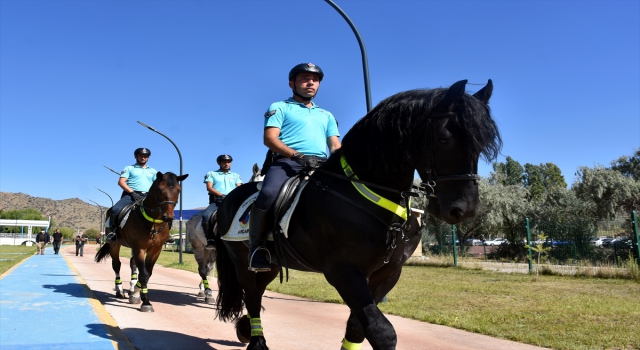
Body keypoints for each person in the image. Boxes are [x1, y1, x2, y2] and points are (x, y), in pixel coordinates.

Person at [248, 63, 341, 272]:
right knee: (268, 193)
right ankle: (256, 248)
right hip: (288, 162)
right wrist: (296, 155)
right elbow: (269, 139)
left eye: (315, 80)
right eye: (304, 79)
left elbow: (335, 146)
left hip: (321, 165)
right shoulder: (280, 107)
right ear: (292, 83)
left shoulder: (326, 115)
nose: (310, 83)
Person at [105, 147, 158, 243]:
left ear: (148, 158)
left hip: (147, 196)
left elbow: (156, 185)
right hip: (130, 195)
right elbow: (121, 182)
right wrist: (132, 193)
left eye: (145, 156)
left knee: (163, 211)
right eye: (141, 155)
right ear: (136, 156)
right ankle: (113, 233)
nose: (143, 157)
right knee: (115, 209)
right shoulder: (129, 168)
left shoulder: (153, 171)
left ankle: (164, 234)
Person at [202, 154, 242, 250]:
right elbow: (209, 188)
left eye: (228, 162)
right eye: (224, 162)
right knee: (206, 216)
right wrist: (221, 195)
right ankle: (210, 239)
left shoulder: (236, 175)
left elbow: (239, 187)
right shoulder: (211, 174)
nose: (226, 164)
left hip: (233, 201)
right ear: (219, 163)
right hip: (218, 201)